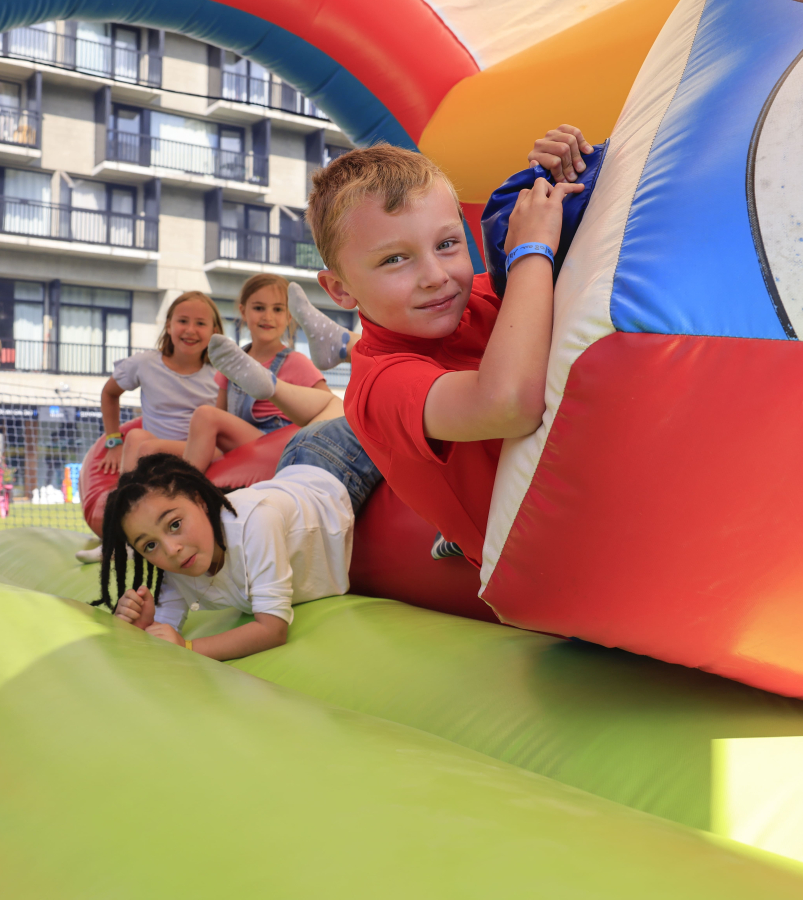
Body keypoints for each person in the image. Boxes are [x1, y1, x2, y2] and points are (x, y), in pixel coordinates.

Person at [303, 125, 596, 568]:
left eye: (446, 244)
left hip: (584, 497)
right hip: (541, 569)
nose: (436, 276)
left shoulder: (483, 294)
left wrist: (554, 178)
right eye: (394, 259)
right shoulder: (377, 386)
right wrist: (531, 249)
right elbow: (507, 405)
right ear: (340, 290)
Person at [98, 417, 382, 660]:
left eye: (174, 524)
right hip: (293, 467)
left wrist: (188, 647)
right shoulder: (179, 562)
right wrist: (145, 624)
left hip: (337, 460)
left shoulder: (256, 523)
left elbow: (273, 629)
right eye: (149, 545)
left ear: (201, 501)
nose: (171, 549)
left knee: (402, 418)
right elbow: (164, 635)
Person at [77, 291, 224, 563]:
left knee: (145, 443)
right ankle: (120, 538)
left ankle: (123, 538)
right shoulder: (146, 364)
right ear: (168, 326)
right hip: (157, 458)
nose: (190, 330)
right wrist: (113, 441)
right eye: (183, 321)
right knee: (135, 436)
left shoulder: (218, 374)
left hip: (204, 454)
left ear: (214, 330)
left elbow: (225, 423)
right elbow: (109, 393)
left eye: (201, 324)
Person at [180, 274, 338, 471]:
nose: (267, 316)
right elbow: (221, 416)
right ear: (243, 312)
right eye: (259, 308)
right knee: (198, 423)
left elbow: (331, 412)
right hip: (242, 442)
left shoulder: (296, 362)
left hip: (278, 444)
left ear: (289, 316)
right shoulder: (232, 360)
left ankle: (184, 488)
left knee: (204, 415)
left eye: (278, 309)